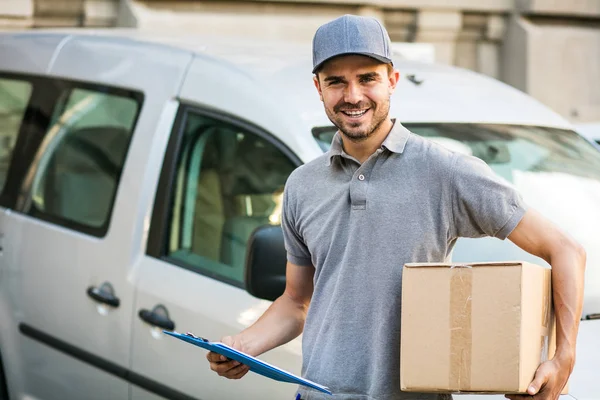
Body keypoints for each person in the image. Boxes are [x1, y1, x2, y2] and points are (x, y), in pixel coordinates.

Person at [206, 14, 586, 400]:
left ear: (392, 80)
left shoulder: (446, 172)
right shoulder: (303, 185)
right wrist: (244, 345)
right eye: (336, 81)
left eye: (367, 77)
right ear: (318, 88)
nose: (352, 95)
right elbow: (296, 301)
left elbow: (565, 249)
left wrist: (564, 357)